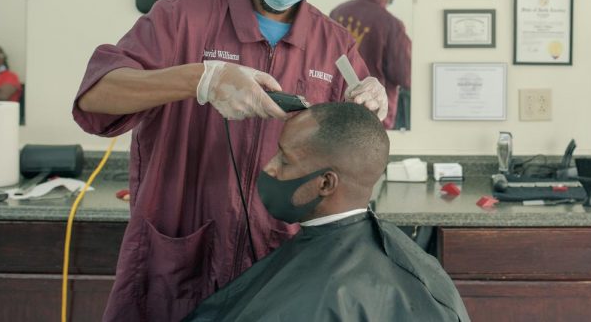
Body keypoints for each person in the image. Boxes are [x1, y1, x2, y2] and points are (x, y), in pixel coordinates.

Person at [72, 0, 389, 322]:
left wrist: (372, 105)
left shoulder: (333, 46)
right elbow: (96, 97)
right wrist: (201, 78)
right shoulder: (181, 18)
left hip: (278, 265)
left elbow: (352, 153)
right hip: (179, 257)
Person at [185, 102, 470, 322]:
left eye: (284, 160)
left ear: (325, 183)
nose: (270, 167)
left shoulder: (316, 297)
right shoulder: (420, 266)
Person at [330, 0, 411, 130]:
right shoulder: (392, 25)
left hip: (336, 112)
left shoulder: (337, 12)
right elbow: (405, 77)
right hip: (374, 117)